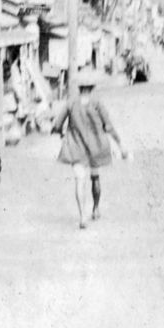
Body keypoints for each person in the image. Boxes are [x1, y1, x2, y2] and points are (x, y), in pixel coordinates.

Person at [52, 70, 128, 229]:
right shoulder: (97, 103)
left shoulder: (71, 102)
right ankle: (96, 208)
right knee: (95, 178)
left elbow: (57, 124)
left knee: (80, 181)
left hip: (76, 146)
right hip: (96, 147)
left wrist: (60, 133)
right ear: (92, 87)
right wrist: (120, 144)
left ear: (79, 88)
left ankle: (82, 217)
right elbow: (109, 126)